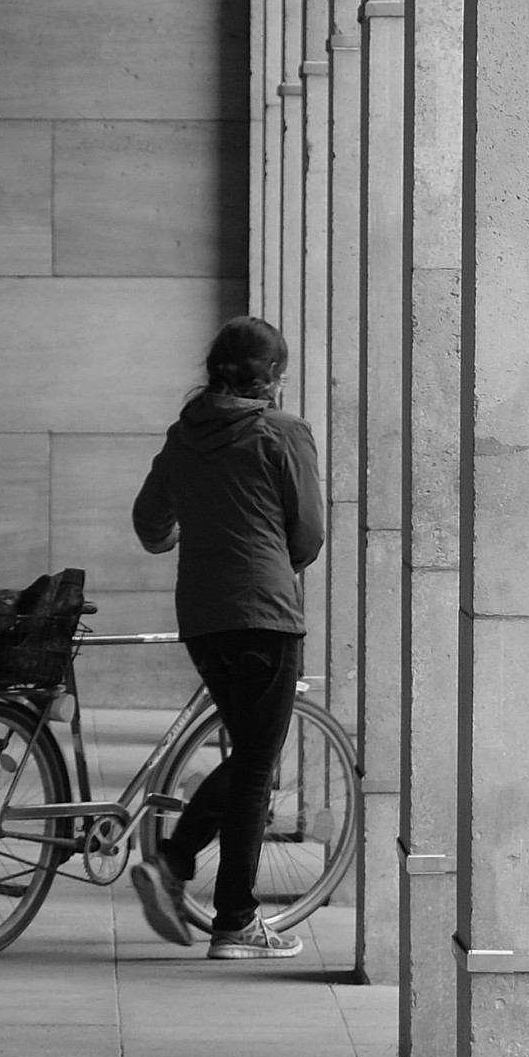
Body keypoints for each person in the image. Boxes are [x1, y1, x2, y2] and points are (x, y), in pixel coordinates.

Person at [129, 316, 324, 960]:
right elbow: (308, 534)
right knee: (256, 767)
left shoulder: (184, 434)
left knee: (249, 760)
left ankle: (178, 862)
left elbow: (149, 522)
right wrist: (274, 564)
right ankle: (231, 917)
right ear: (272, 376)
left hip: (202, 616)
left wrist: (181, 536)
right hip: (265, 614)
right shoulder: (284, 432)